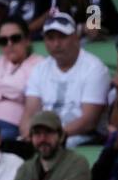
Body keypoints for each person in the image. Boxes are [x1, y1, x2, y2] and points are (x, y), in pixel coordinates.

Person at [20, 11, 111, 147]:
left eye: (62, 37)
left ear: (75, 38)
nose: (56, 44)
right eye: (50, 38)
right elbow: (29, 113)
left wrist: (51, 136)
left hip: (79, 136)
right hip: (44, 137)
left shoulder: (95, 68)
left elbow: (89, 121)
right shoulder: (39, 69)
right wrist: (29, 134)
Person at [15, 110, 92, 180]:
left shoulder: (76, 163)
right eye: (37, 133)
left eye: (48, 132)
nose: (42, 139)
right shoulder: (25, 169)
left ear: (61, 136)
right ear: (31, 138)